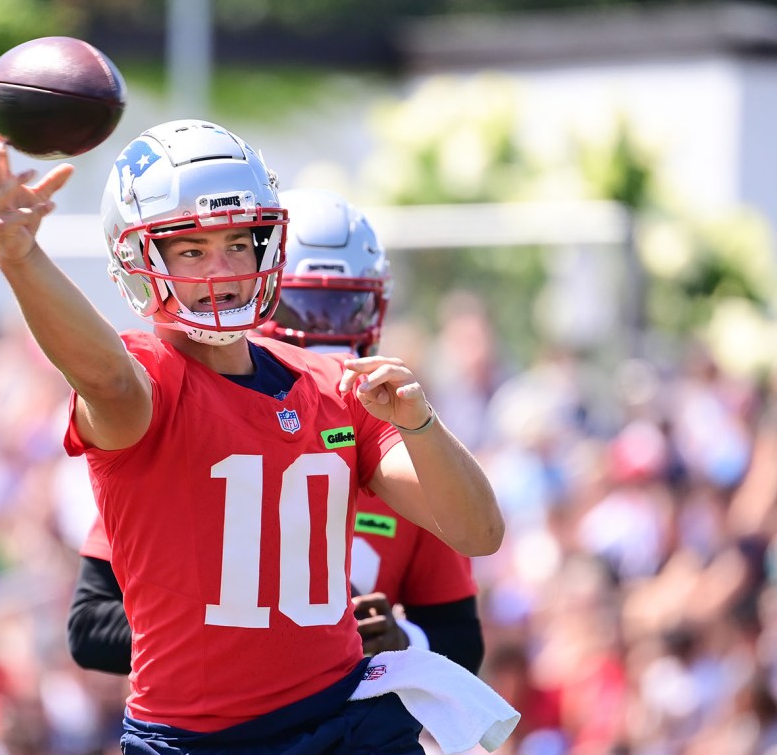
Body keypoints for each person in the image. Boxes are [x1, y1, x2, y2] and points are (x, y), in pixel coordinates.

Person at [0, 118, 505, 755]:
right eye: (192, 250)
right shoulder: (149, 381)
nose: (222, 270)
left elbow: (480, 533)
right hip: (199, 741)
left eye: (237, 243)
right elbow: (110, 382)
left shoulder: (337, 385)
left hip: (344, 718)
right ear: (141, 260)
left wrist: (419, 423)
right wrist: (23, 261)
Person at [68, 187, 485, 678]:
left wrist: (403, 644)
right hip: (212, 723)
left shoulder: (398, 443)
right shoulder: (182, 418)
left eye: (344, 310)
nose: (321, 332)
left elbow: (462, 637)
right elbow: (90, 626)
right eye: (300, 310)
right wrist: (256, 628)